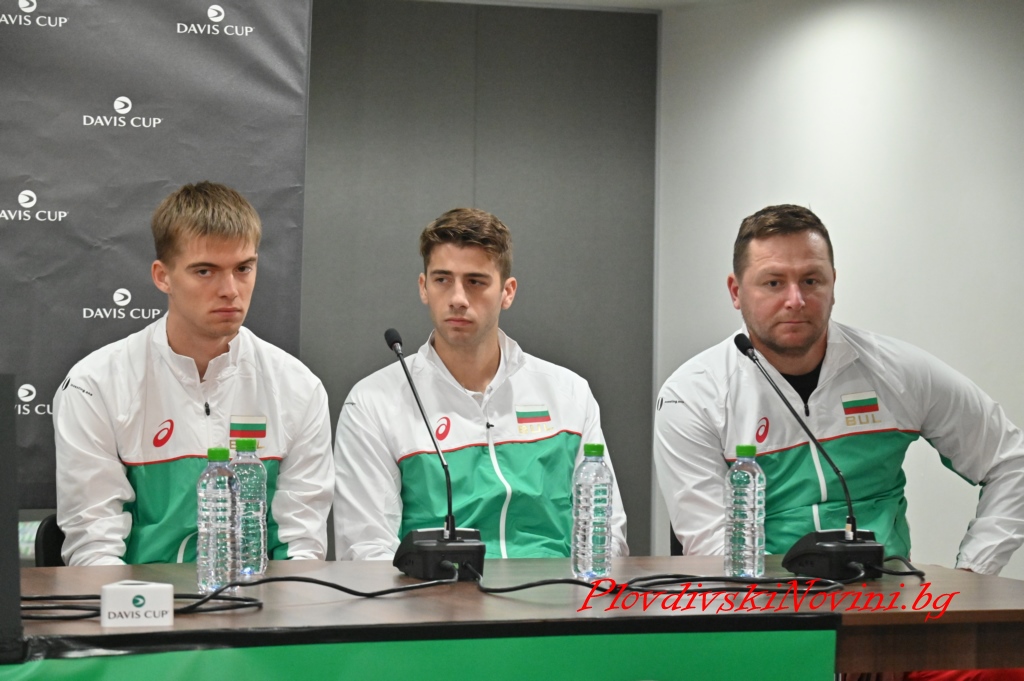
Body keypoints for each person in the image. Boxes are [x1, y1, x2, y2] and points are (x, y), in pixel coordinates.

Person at [654, 204, 1024, 576]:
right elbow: (712, 549)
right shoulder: (693, 395)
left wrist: (975, 572)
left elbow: (1011, 461)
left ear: (833, 284)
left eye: (811, 280)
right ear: (736, 292)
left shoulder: (898, 372)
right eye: (773, 283)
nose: (795, 300)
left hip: (886, 596)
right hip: (760, 599)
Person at [53, 181, 333, 566]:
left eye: (243, 268)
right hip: (140, 600)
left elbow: (302, 547)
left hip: (259, 599)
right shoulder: (94, 385)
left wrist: (271, 603)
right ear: (162, 276)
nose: (230, 290)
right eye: (205, 271)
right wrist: (144, 603)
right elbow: (94, 548)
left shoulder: (298, 387)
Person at [333, 207, 628, 560]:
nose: (458, 298)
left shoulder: (569, 393)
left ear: (507, 292)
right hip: (433, 593)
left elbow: (605, 534)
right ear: (423, 287)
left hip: (556, 591)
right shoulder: (372, 402)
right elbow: (367, 551)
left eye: (475, 282)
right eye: (442, 280)